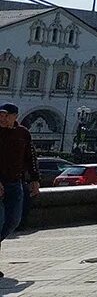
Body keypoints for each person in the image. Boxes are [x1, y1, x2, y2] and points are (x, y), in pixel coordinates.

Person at [0, 103, 39, 277]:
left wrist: (35, 179)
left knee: (13, 221)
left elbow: (31, 157)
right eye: (0, 115)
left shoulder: (23, 133)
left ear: (15, 116)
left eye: (6, 115)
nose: (2, 118)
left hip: (15, 183)